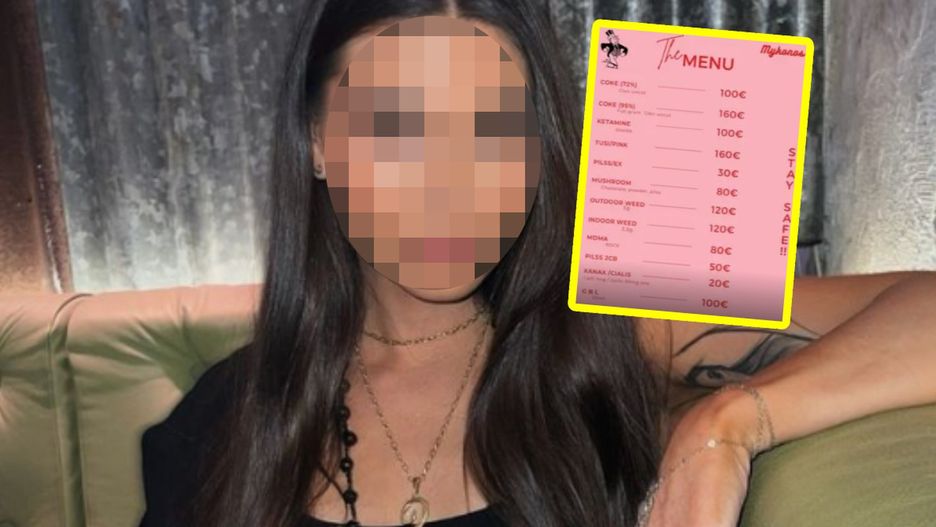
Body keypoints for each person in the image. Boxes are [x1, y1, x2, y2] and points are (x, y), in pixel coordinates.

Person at [138, 1, 936, 526]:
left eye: (494, 126)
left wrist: (727, 422)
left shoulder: (608, 334)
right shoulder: (222, 425)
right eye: (399, 125)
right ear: (316, 142)